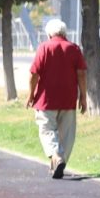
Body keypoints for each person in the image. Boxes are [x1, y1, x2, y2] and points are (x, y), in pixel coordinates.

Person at [26, 18, 87, 179]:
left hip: (46, 99)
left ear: (49, 33)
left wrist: (31, 94)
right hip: (68, 99)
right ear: (64, 32)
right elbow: (81, 74)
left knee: (46, 130)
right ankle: (58, 162)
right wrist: (83, 98)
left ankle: (56, 157)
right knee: (66, 134)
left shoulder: (44, 47)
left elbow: (34, 74)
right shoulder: (74, 49)